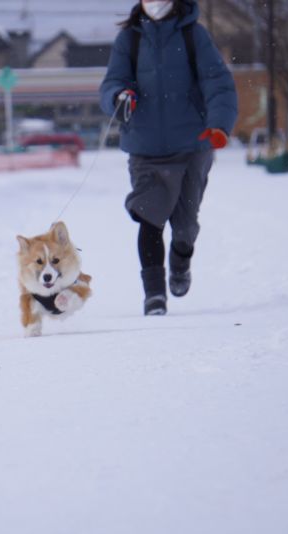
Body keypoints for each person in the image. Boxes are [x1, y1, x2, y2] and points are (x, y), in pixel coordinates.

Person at [99, 0, 238, 316]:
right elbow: (111, 83)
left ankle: (181, 259)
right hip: (145, 149)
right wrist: (118, 97)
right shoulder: (130, 38)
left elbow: (218, 83)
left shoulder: (194, 35)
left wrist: (219, 124)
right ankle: (154, 296)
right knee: (149, 217)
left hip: (193, 145)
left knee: (185, 225)